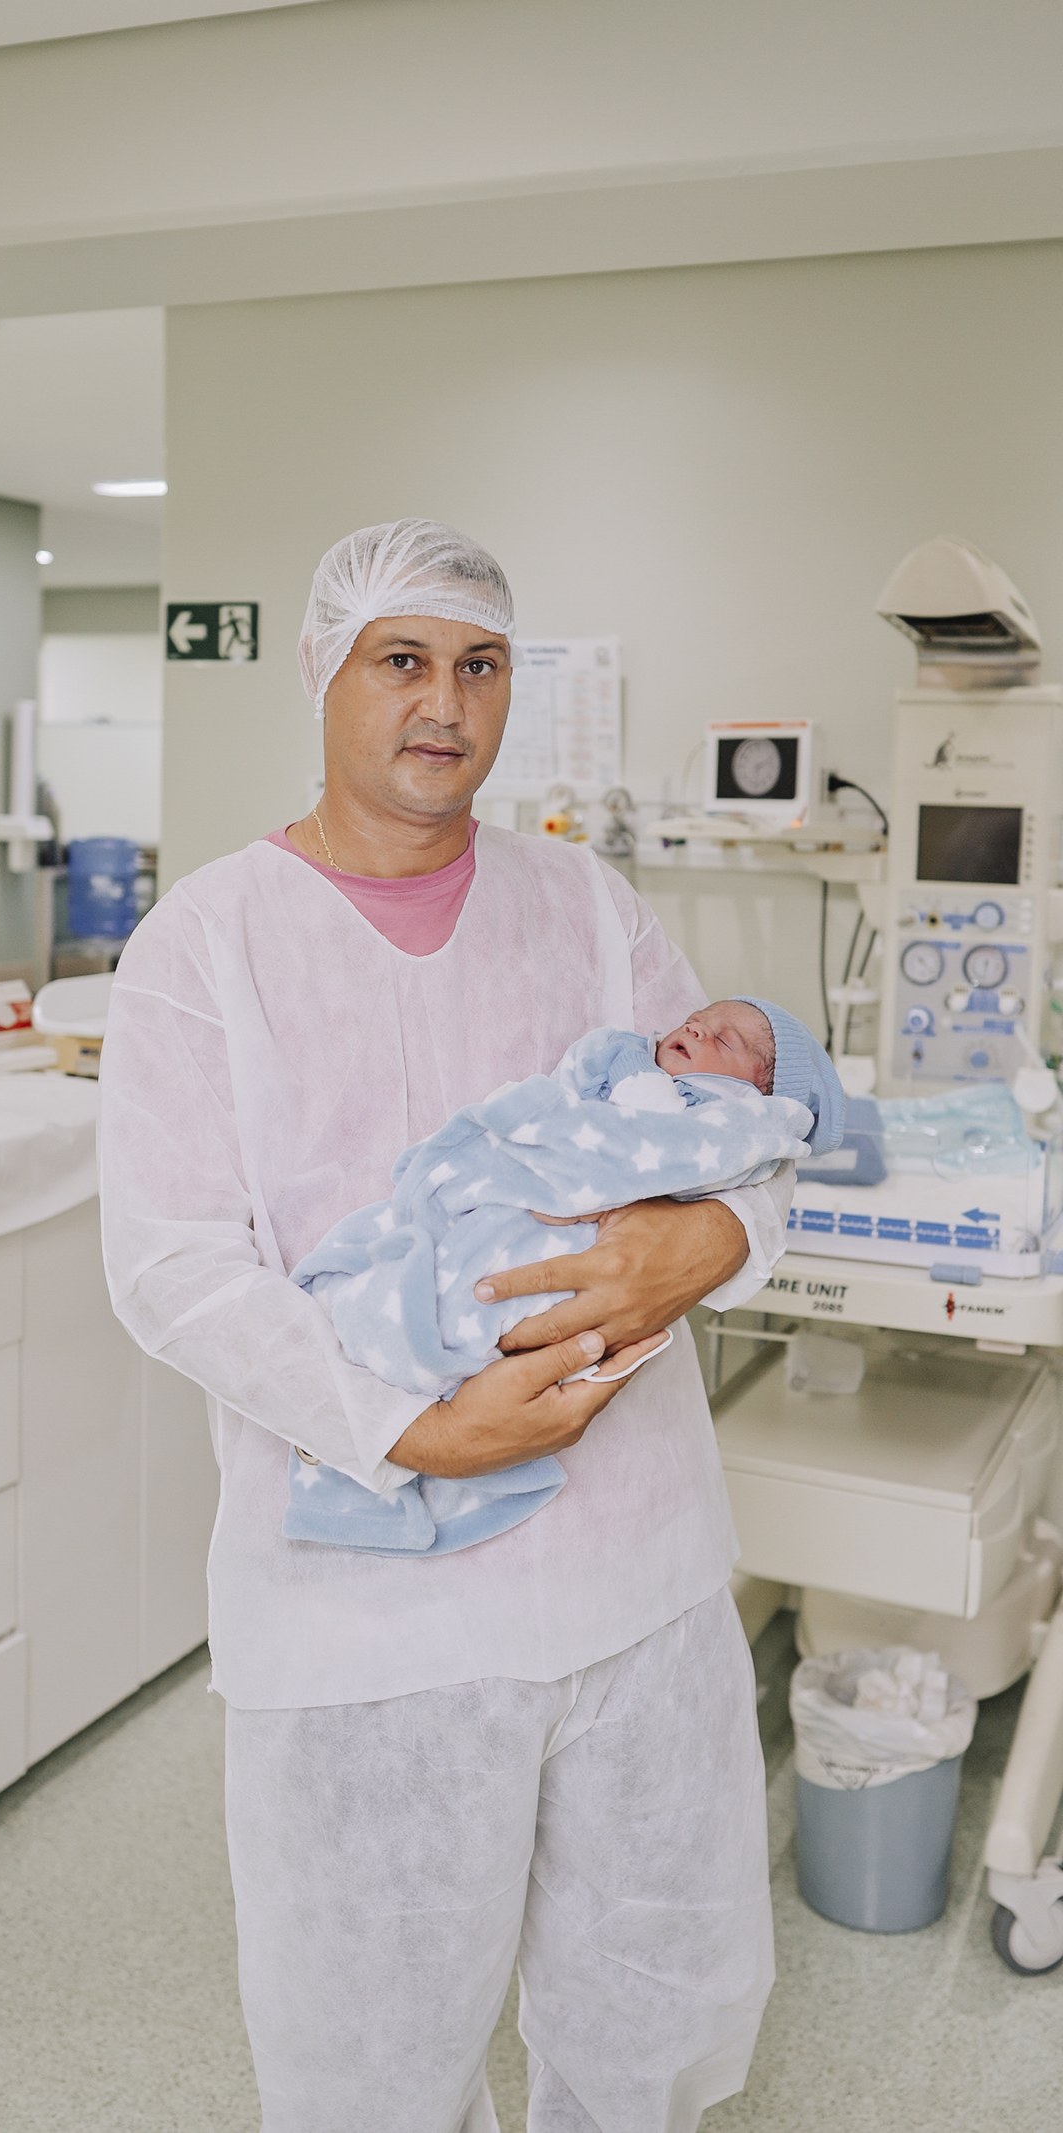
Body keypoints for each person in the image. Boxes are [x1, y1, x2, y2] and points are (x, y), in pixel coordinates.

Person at [99, 518, 796, 2133]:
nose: (445, 702)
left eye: (481, 665)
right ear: (324, 674)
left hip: (632, 1578)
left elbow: (745, 1141)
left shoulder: (589, 908)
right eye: (402, 659)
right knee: (374, 2058)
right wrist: (413, 1425)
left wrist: (707, 1241)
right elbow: (175, 1263)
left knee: (650, 2008)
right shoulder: (207, 944)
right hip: (368, 1620)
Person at [285, 999, 842, 1555]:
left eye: (723, 1040)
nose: (697, 1028)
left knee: (462, 1310)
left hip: (614, 1472)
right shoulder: (624, 1058)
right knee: (403, 1284)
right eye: (697, 1019)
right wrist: (428, 1436)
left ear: (759, 1091)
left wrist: (710, 1235)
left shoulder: (725, 1118)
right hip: (486, 1215)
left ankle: (400, 1354)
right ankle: (375, 1374)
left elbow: (754, 1168)